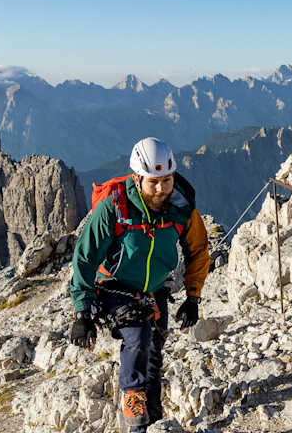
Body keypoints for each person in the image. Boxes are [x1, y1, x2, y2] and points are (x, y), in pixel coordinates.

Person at [67, 137, 211, 431]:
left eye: (167, 180)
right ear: (137, 178)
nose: (161, 189)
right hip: (115, 287)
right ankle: (133, 404)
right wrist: (82, 312)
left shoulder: (181, 209)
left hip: (156, 288)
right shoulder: (113, 209)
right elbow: (85, 258)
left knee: (154, 352)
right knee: (139, 336)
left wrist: (193, 297)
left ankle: (153, 418)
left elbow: (198, 250)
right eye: (153, 182)